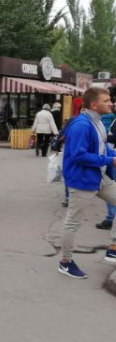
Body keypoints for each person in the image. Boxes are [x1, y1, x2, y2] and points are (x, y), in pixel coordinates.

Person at [59, 87, 116, 278]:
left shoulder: (98, 122)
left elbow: (102, 149)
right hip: (82, 180)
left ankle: (114, 248)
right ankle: (65, 262)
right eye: (107, 100)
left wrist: (113, 155)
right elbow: (78, 155)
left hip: (99, 178)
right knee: (72, 223)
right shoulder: (82, 125)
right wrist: (110, 161)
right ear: (94, 104)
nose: (111, 103)